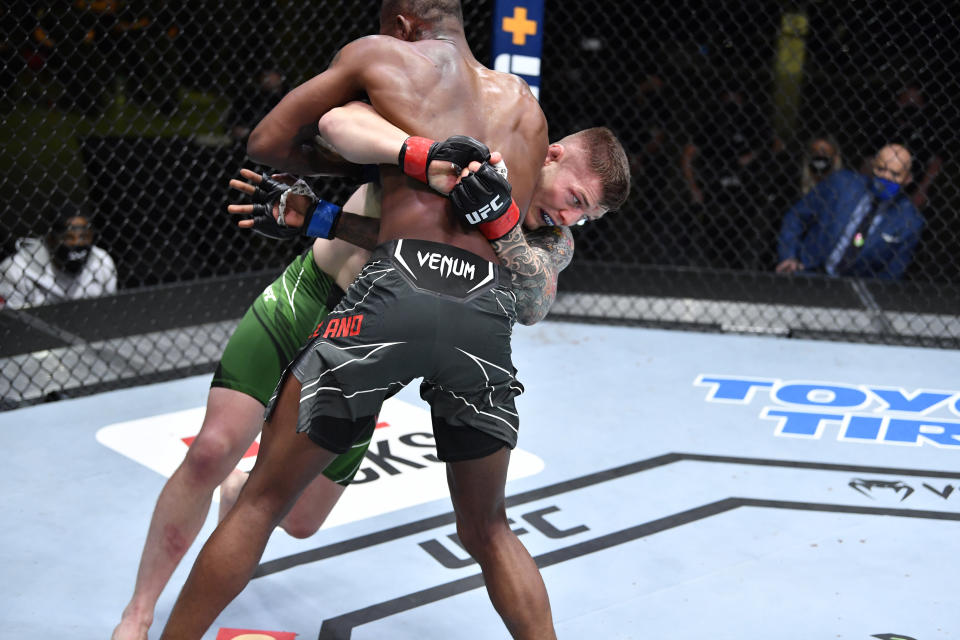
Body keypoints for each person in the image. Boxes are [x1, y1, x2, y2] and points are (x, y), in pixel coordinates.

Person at [155, 1, 614, 635]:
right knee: (489, 527)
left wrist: (391, 162)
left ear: (397, 23)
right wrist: (400, 158)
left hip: (395, 287)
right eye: (576, 202)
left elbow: (266, 144)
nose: (572, 218)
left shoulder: (383, 56)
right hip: (480, 317)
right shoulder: (526, 112)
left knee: (261, 501)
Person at [775, 143, 924, 280]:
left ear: (908, 179)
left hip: (855, 287)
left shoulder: (909, 221)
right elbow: (796, 216)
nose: (886, 177)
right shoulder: (841, 183)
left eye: (895, 174)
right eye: (881, 169)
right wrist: (789, 256)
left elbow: (893, 272)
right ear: (872, 166)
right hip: (808, 270)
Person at [680, 78, 783, 270]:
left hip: (746, 186)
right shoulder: (711, 119)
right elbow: (688, 154)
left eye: (737, 97)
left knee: (743, 233)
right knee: (709, 231)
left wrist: (754, 156)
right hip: (714, 184)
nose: (732, 102)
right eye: (728, 97)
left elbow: (777, 145)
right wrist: (693, 187)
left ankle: (737, 267)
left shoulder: (754, 119)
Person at [0, 210, 117, 309]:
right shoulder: (15, 270)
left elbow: (110, 312)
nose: (77, 243)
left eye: (84, 237)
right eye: (68, 237)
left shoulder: (101, 262)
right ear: (51, 239)